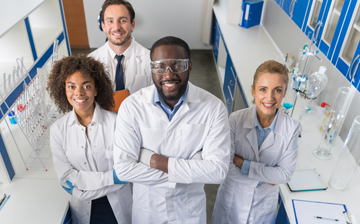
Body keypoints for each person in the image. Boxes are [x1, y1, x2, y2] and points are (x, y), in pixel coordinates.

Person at [113, 36, 231, 223]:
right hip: (148, 212)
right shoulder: (132, 107)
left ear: (189, 66)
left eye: (177, 66)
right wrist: (190, 170)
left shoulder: (213, 108)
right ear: (151, 68)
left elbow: (217, 171)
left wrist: (152, 160)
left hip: (188, 214)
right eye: (160, 67)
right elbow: (123, 170)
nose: (168, 75)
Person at [212, 60, 300, 224]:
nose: (270, 97)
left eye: (277, 90)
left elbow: (285, 174)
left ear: (284, 92)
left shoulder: (291, 128)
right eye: (263, 89)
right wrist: (266, 178)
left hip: (262, 211)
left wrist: (242, 163)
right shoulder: (235, 120)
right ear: (253, 90)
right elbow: (226, 168)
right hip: (231, 203)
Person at [48, 55, 131, 224]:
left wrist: (82, 188)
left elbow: (126, 172)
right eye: (71, 87)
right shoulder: (58, 130)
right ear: (63, 90)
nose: (78, 93)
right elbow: (67, 178)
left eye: (86, 86)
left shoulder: (117, 123)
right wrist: (111, 178)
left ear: (96, 89)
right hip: (83, 210)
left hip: (118, 207)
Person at [89, 0, 152, 94]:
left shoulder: (150, 59)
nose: (116, 27)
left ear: (132, 24)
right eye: (110, 21)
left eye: (122, 21)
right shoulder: (91, 61)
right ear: (103, 26)